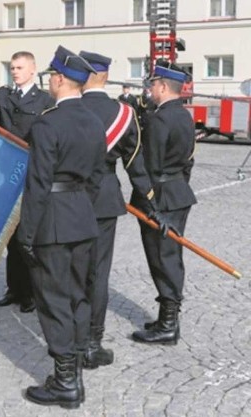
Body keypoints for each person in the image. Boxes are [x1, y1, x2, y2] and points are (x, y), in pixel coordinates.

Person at [16, 46, 105, 409]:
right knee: (78, 295)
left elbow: (37, 184)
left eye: (50, 77)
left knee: (53, 300)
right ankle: (77, 364)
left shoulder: (48, 122)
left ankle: (66, 381)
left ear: (58, 79)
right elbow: (97, 177)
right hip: (82, 217)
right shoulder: (94, 121)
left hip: (52, 220)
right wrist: (80, 207)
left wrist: (27, 232)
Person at [78, 51, 168, 369]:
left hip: (68, 200)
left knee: (70, 271)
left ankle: (69, 343)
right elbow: (135, 165)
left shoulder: (64, 109)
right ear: (104, 76)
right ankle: (92, 343)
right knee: (97, 274)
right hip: (103, 200)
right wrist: (152, 203)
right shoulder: (124, 113)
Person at [0, 51, 54, 314]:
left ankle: (30, 292)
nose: (15, 72)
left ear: (32, 70)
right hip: (6, 174)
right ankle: (14, 289)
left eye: (19, 68)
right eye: (12, 68)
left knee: (27, 233)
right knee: (8, 233)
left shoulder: (45, 100)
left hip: (31, 174)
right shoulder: (6, 95)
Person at [130, 60, 196, 345]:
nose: (150, 90)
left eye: (153, 85)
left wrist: (149, 201)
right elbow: (189, 160)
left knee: (162, 258)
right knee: (169, 256)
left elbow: (150, 166)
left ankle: (168, 325)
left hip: (160, 198)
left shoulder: (159, 119)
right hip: (178, 192)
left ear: (163, 87)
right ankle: (166, 317)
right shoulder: (184, 115)